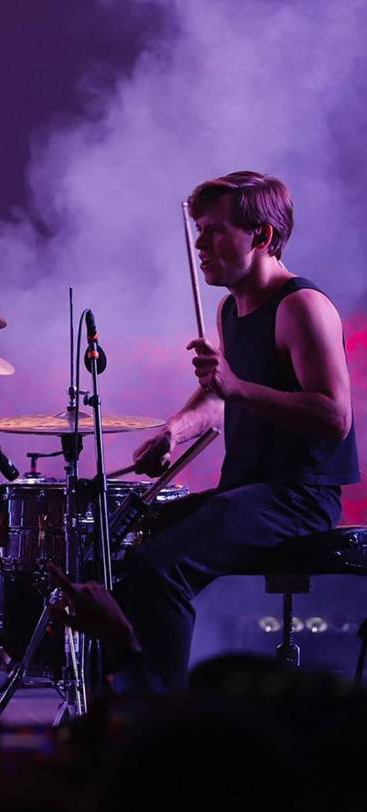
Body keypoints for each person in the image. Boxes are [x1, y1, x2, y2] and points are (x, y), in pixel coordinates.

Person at [113, 170, 359, 693]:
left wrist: (237, 388)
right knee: (118, 541)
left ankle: (161, 721)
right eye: (198, 230)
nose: (201, 243)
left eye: (215, 230)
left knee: (161, 568)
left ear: (263, 236)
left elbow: (335, 418)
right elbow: (219, 395)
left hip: (299, 496)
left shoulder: (301, 307)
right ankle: (113, 705)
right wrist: (174, 430)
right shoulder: (232, 307)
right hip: (247, 489)